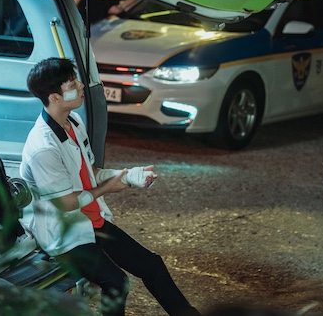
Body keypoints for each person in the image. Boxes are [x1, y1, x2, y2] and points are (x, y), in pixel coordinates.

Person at [19, 57, 201, 316]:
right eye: (72, 84)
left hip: (90, 222)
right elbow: (66, 203)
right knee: (116, 281)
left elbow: (92, 173)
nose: (81, 86)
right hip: (64, 235)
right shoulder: (43, 147)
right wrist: (107, 188)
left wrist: (129, 176)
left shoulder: (74, 122)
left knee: (152, 265)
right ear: (55, 97)